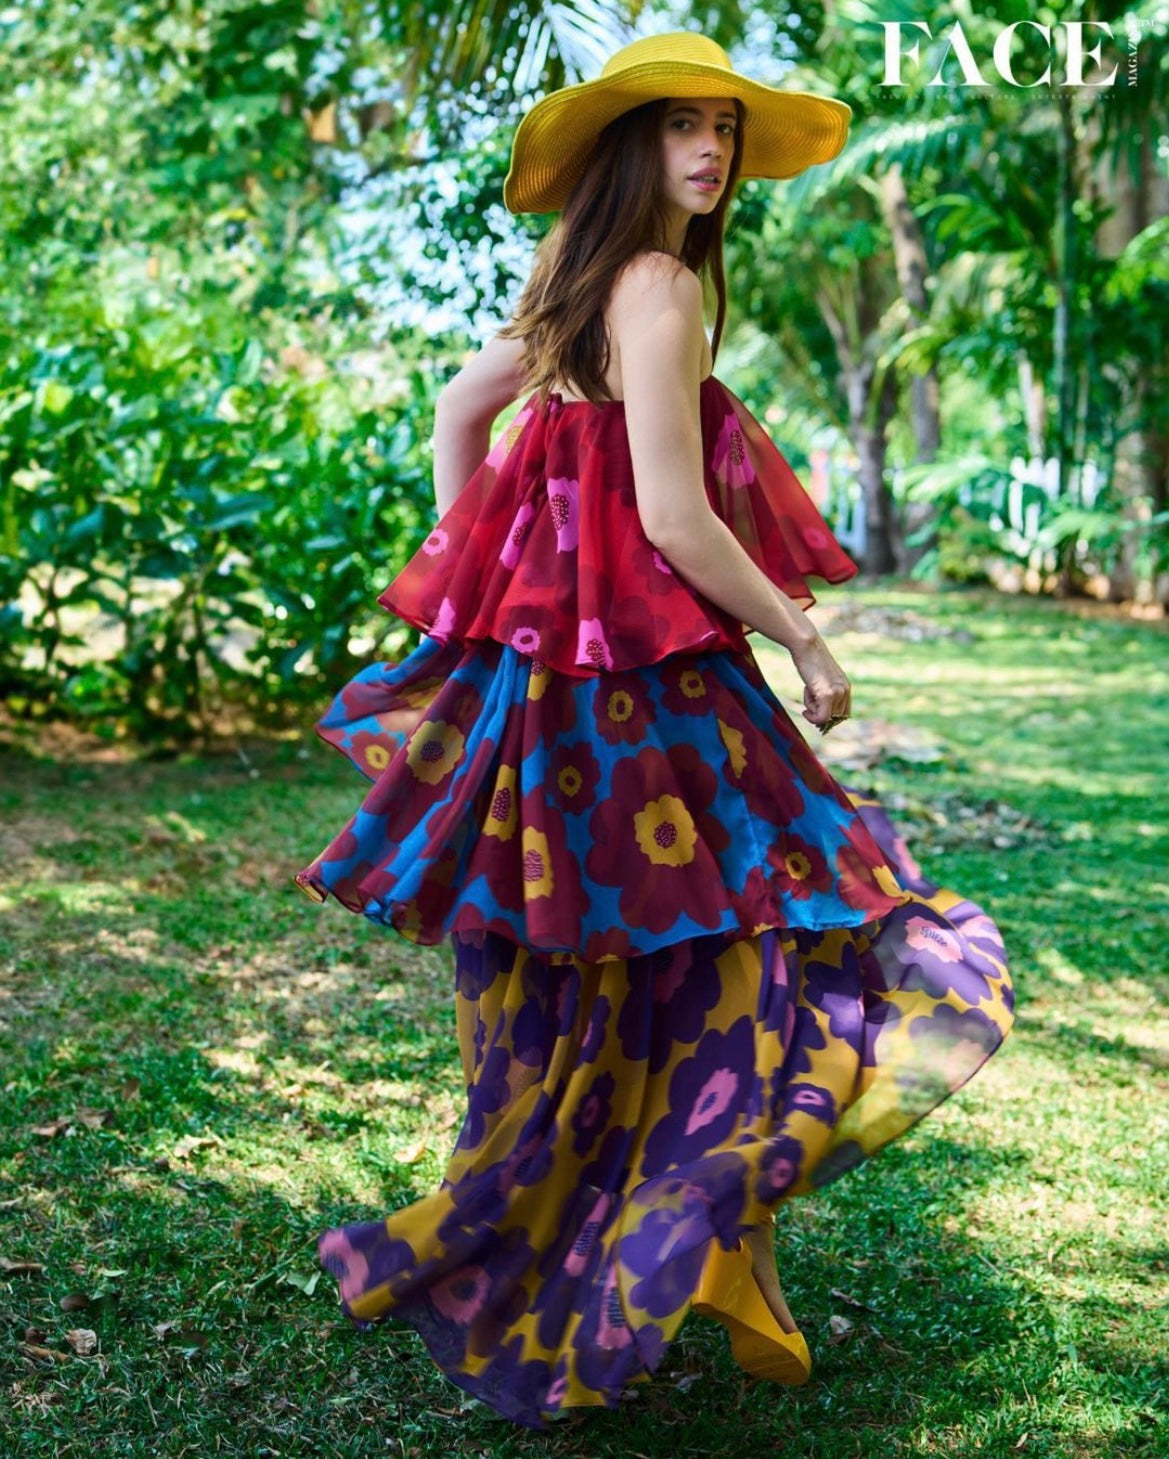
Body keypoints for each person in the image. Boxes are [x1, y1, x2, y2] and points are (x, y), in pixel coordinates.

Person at [294, 31, 1014, 1431]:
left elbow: (461, 412)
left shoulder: (578, 283)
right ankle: (684, 1234)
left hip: (552, 703)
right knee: (758, 936)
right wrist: (801, 634)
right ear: (630, 148)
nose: (708, 152)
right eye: (681, 126)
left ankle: (608, 1235)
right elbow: (677, 520)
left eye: (725, 132)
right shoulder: (657, 285)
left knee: (587, 973)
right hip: (648, 701)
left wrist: (490, 591)